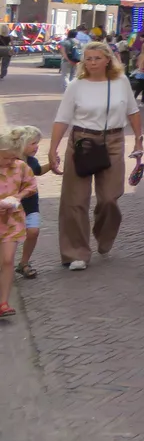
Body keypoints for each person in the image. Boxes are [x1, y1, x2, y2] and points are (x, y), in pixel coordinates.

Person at [48, 41, 144, 270]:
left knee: (110, 197)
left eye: (97, 58)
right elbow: (62, 118)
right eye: (88, 58)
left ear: (107, 59)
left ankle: (104, 235)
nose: (92, 62)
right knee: (75, 199)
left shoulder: (121, 82)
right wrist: (53, 149)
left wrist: (138, 140)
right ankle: (76, 253)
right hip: (82, 141)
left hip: (113, 140)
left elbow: (133, 111)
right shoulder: (76, 86)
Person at [0, 126, 38, 318]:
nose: (9, 162)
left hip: (12, 220)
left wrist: (18, 196)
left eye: (12, 158)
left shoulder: (21, 167)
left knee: (7, 260)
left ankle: (3, 303)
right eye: (5, 158)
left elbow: (31, 186)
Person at [15, 127, 50, 279]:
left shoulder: (32, 161)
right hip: (10, 207)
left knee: (33, 231)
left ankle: (24, 262)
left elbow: (38, 171)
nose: (37, 147)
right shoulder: (8, 161)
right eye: (33, 143)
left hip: (30, 204)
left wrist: (52, 165)